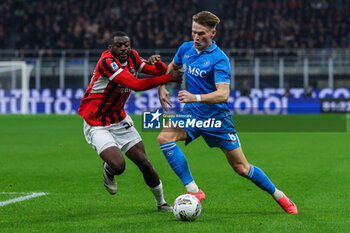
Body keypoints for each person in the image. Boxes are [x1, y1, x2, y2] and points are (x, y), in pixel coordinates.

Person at [157, 11, 298, 214]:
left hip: (217, 119)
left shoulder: (219, 59)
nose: (196, 37)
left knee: (241, 168)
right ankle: (194, 190)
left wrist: (194, 97)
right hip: (191, 115)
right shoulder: (186, 49)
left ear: (213, 33)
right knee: (164, 137)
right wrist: (162, 86)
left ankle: (279, 195)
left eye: (201, 33)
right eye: (194, 32)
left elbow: (223, 94)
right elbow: (173, 66)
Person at [78, 31, 182, 212]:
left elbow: (155, 71)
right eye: (119, 45)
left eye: (127, 44)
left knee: (145, 163)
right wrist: (168, 78)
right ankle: (109, 169)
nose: (124, 48)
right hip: (97, 122)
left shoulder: (133, 57)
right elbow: (136, 84)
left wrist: (157, 64)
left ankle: (161, 203)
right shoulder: (107, 62)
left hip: (119, 118)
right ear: (110, 47)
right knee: (119, 166)